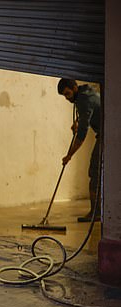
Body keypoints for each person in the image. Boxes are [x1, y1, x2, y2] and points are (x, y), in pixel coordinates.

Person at [57, 78, 102, 222]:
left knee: (94, 171)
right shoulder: (85, 92)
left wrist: (69, 155)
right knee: (97, 171)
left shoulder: (83, 99)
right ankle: (99, 211)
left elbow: (82, 134)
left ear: (74, 88)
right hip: (106, 132)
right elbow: (90, 112)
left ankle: (96, 213)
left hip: (107, 134)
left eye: (68, 94)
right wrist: (77, 121)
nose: (67, 98)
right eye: (64, 95)